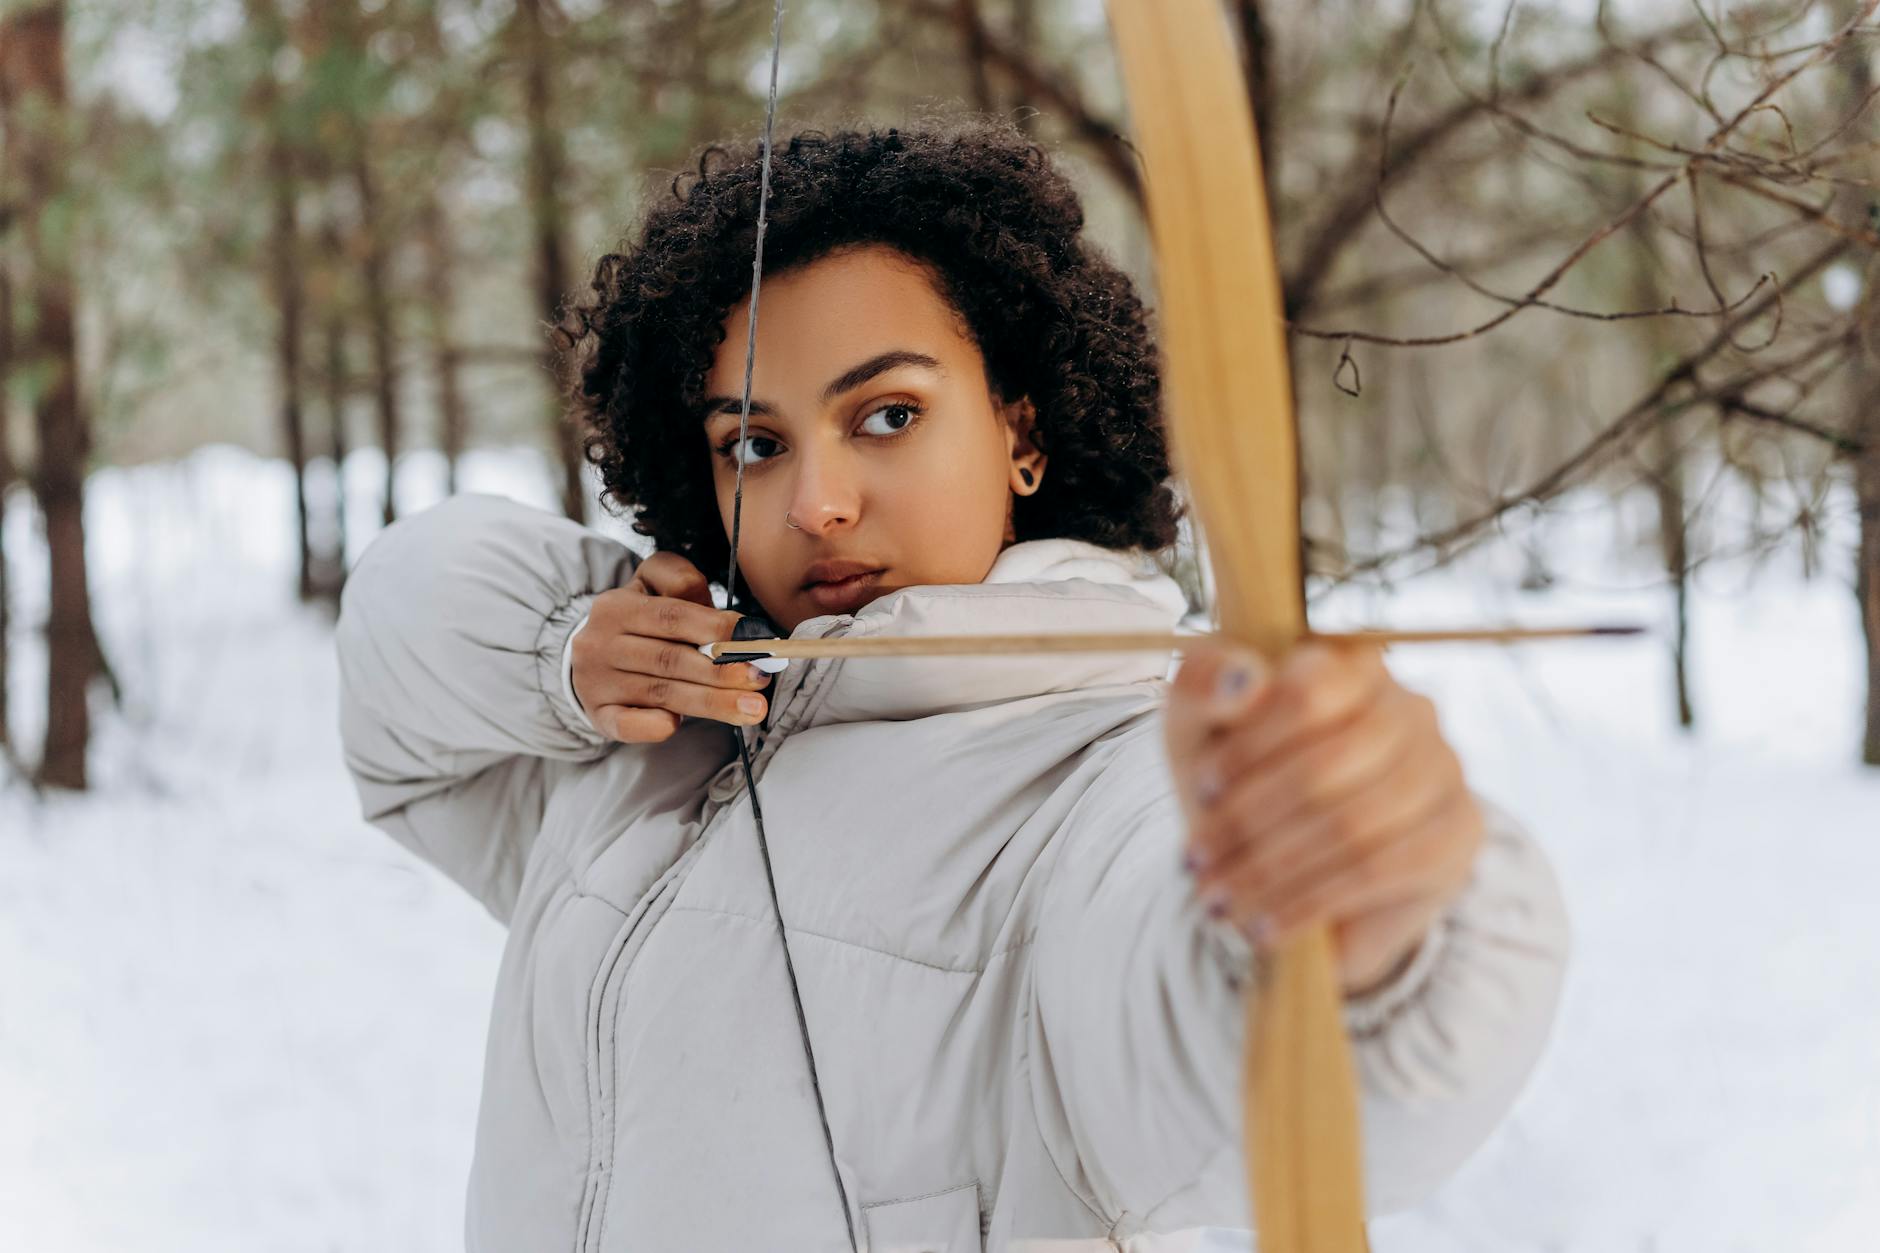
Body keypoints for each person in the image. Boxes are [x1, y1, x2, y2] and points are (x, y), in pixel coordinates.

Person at [336, 120, 1568, 1252]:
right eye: (752, 444)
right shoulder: (644, 748)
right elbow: (399, 650)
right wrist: (564, 647)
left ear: (1022, 432)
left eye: (884, 415)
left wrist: (1370, 909)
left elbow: (1253, 1070)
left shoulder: (1097, 786)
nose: (814, 500)